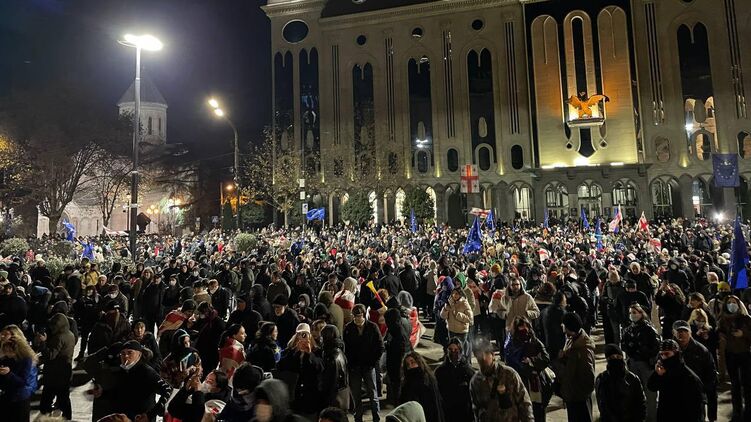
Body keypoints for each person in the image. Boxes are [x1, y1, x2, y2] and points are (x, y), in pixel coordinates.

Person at [90, 340, 173, 421]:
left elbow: (168, 389)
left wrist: (150, 414)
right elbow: (119, 393)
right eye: (123, 353)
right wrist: (102, 393)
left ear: (139, 354)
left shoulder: (146, 371)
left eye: (130, 352)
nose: (126, 356)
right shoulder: (122, 371)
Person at [470, 337, 533, 422]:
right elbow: (476, 409)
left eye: (486, 353)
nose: (483, 358)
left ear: (493, 355)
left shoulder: (509, 374)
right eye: (479, 354)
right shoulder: (475, 382)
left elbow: (524, 402)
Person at [503, 316, 551, 422]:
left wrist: (531, 361)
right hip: (521, 384)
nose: (525, 331)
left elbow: (546, 358)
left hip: (537, 384)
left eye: (526, 328)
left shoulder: (534, 340)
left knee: (539, 412)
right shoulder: (511, 345)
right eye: (521, 329)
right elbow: (513, 365)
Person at [647, 339, 704, 422]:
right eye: (661, 354)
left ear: (676, 353)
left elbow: (696, 410)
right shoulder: (664, 372)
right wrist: (657, 374)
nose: (664, 357)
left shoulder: (689, 377)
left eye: (667, 354)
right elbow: (651, 387)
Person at [343, 304, 383, 422]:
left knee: (372, 394)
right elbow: (345, 348)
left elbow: (380, 346)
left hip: (368, 367)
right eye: (355, 316)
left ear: (364, 315)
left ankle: (376, 417)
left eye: (359, 316)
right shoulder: (348, 328)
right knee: (356, 395)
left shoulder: (372, 327)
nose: (357, 318)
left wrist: (373, 362)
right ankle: (358, 418)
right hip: (354, 367)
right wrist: (350, 364)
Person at [620, 302, 660, 422]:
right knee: (634, 392)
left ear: (641, 314)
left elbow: (656, 347)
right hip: (633, 362)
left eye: (634, 312)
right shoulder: (628, 329)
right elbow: (623, 345)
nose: (632, 315)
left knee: (650, 393)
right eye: (630, 313)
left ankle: (652, 418)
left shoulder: (649, 329)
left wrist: (644, 351)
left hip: (646, 364)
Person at [673, 320, 718, 422]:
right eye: (678, 331)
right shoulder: (669, 350)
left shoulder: (701, 351)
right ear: (673, 333)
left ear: (690, 332)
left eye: (685, 331)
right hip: (676, 395)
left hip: (696, 395)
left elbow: (711, 374)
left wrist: (703, 392)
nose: (682, 334)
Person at [278, 323, 324, 418]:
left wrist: (309, 354)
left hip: (310, 395)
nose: (302, 337)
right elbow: (281, 365)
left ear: (309, 335)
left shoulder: (317, 350)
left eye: (305, 334)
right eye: (300, 334)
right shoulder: (290, 350)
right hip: (294, 394)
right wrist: (295, 351)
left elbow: (320, 367)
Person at [717, 294, 751, 421]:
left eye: (734, 302)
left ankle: (748, 411)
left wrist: (743, 334)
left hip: (745, 354)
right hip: (730, 354)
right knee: (735, 384)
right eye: (729, 302)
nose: (731, 305)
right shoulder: (723, 319)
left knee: (747, 384)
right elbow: (719, 333)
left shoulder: (746, 319)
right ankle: (737, 412)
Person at [559, 312, 595, 422]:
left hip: (579, 397)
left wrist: (579, 395)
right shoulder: (571, 339)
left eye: (564, 324)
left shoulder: (583, 350)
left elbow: (588, 377)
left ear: (569, 327)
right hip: (572, 393)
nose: (562, 326)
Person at [595, 344, 646, 422]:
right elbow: (603, 406)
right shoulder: (602, 379)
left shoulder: (633, 379)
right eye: (612, 357)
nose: (615, 359)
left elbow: (641, 404)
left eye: (618, 356)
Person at [37, 312, 75, 419]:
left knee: (46, 401)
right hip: (65, 372)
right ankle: (67, 418)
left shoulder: (59, 337)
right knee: (64, 399)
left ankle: (46, 418)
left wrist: (43, 343)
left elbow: (50, 355)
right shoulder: (70, 334)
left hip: (55, 374)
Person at [434, 337, 475, 421]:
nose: (453, 352)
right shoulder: (440, 371)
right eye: (450, 349)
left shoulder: (468, 371)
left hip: (464, 411)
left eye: (456, 349)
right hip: (447, 410)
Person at [0, 335, 38, 421]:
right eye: (6, 350)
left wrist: (9, 373)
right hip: (7, 396)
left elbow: (23, 381)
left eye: (10, 351)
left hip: (20, 398)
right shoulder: (5, 359)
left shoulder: (26, 360)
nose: (7, 353)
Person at [399, 351, 445, 422]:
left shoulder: (428, 379)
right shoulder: (407, 383)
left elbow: (435, 405)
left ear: (419, 362)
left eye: (412, 362)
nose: (410, 366)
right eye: (408, 365)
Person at [385, 307, 412, 405]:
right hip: (397, 368)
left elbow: (399, 352)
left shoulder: (397, 332)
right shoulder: (397, 328)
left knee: (397, 389)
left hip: (397, 368)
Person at [319, 325, 349, 410]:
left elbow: (331, 379)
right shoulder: (339, 351)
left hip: (333, 397)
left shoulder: (331, 356)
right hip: (341, 393)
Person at [192, 302, 226, 376]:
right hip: (201, 349)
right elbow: (197, 328)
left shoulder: (218, 322)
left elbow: (220, 336)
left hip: (212, 351)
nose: (200, 315)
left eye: (202, 313)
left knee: (208, 371)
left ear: (207, 312)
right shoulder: (203, 320)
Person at [440, 286, 472, 358]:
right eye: (453, 293)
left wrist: (457, 314)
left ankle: (462, 361)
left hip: (461, 331)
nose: (454, 295)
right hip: (451, 330)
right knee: (452, 349)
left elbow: (469, 318)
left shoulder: (464, 303)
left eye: (457, 293)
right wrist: (445, 309)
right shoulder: (449, 303)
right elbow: (442, 316)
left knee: (460, 350)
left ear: (460, 294)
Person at [540, 291, 566, 362]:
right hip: (557, 347)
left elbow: (539, 328)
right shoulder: (562, 313)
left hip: (546, 344)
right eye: (565, 300)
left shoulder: (544, 311)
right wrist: (562, 348)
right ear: (561, 301)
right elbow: (562, 332)